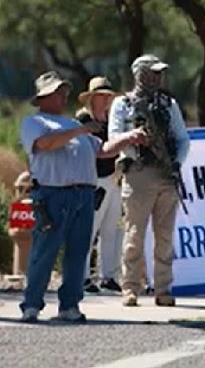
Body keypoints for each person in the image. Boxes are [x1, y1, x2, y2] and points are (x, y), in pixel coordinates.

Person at [19, 71, 146, 323]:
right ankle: (32, 304)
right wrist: (79, 132)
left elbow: (103, 150)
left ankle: (70, 305)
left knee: (78, 252)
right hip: (52, 194)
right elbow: (45, 145)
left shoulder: (75, 126)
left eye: (63, 91)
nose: (62, 96)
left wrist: (128, 138)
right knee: (44, 252)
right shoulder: (34, 123)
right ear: (43, 97)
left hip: (83, 195)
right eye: (57, 92)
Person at [109, 54, 190, 307]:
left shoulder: (168, 103)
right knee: (134, 235)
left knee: (164, 237)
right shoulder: (123, 104)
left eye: (160, 73)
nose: (158, 77)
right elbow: (114, 136)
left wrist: (176, 162)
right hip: (139, 174)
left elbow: (182, 138)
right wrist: (133, 140)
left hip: (166, 176)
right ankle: (130, 287)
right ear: (140, 74)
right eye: (153, 72)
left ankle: (163, 289)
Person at [77, 76, 123, 294]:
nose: (105, 101)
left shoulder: (112, 121)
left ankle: (109, 276)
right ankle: (83, 275)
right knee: (89, 229)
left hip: (114, 178)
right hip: (94, 179)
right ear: (92, 98)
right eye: (101, 97)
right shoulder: (84, 121)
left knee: (112, 229)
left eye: (108, 97)